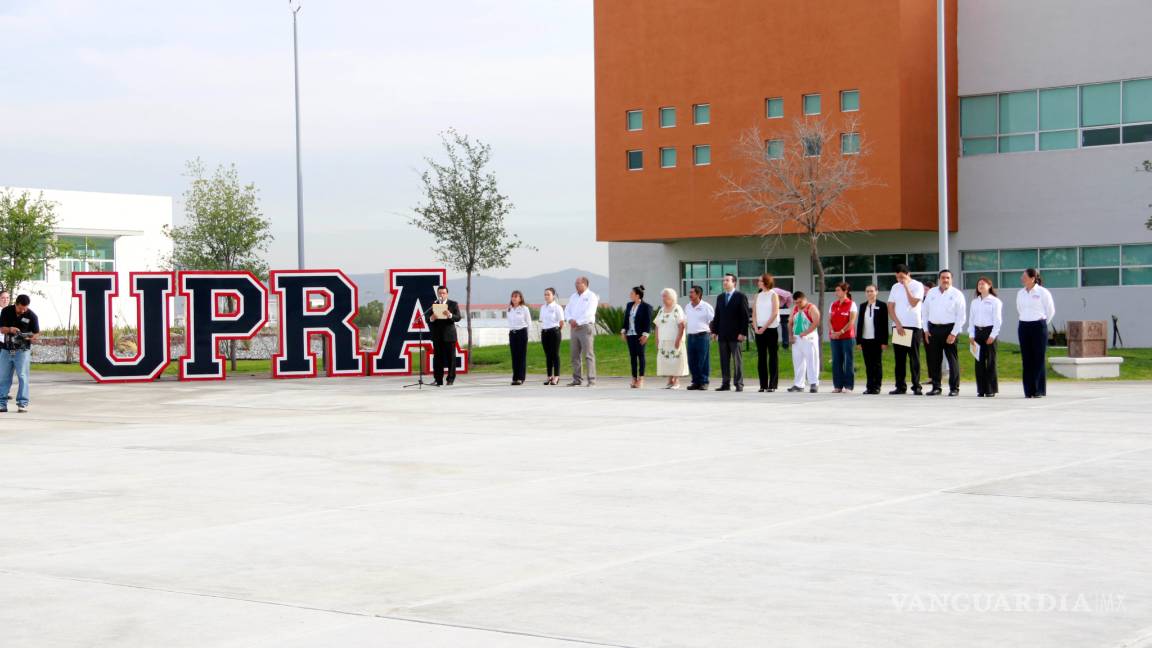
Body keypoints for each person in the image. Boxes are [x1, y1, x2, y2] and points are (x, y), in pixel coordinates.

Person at [922, 269, 967, 397]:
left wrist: (954, 333)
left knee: (952, 360)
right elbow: (924, 313)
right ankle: (936, 387)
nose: (945, 280)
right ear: (939, 279)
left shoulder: (957, 294)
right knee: (935, 360)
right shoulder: (931, 292)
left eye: (948, 278)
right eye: (943, 277)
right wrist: (925, 330)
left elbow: (961, 316)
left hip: (950, 329)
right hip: (933, 329)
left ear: (951, 279)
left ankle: (954, 388)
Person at [887, 264, 925, 395]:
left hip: (913, 326)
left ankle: (916, 386)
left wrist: (906, 286)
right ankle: (900, 386)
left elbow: (914, 302)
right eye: (897, 278)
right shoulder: (895, 287)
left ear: (908, 274)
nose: (899, 280)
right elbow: (890, 306)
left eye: (902, 277)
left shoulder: (917, 285)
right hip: (899, 327)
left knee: (914, 358)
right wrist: (897, 324)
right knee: (900, 359)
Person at [1017, 268, 1055, 398]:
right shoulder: (1020, 293)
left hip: (1038, 326)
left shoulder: (1043, 292)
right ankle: (1029, 390)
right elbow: (1019, 309)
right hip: (1024, 326)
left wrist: (1041, 322)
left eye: (1024, 276)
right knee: (1026, 358)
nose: (1022, 279)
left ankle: (1039, 390)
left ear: (1033, 278)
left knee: (1038, 358)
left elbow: (1050, 311)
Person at [710, 273, 750, 392]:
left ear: (734, 283)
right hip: (723, 334)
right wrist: (714, 331)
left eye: (727, 280)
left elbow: (745, 316)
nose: (725, 282)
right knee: (724, 360)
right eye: (724, 280)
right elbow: (717, 315)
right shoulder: (720, 297)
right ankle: (725, 383)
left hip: (736, 334)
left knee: (737, 360)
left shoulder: (740, 296)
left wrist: (743, 332)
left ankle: (739, 383)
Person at [0, 294, 39, 413]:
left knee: (22, 376)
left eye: (25, 308)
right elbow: (2, 329)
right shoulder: (6, 311)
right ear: (16, 304)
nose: (23, 310)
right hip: (6, 349)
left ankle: (22, 403)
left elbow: (36, 333)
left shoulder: (31, 315)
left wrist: (30, 337)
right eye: (21, 308)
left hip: (22, 351)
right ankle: (2, 403)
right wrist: (11, 329)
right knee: (3, 377)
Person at [968, 277, 1002, 398]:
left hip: (989, 331)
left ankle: (990, 389)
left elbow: (997, 320)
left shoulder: (995, 301)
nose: (980, 286)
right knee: (979, 362)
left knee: (990, 361)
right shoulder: (974, 302)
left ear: (989, 286)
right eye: (979, 284)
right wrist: (971, 334)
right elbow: (971, 320)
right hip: (978, 332)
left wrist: (993, 335)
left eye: (983, 284)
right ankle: (981, 389)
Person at [565, 276, 600, 387]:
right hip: (574, 328)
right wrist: (570, 319)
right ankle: (577, 379)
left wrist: (578, 321)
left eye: (578, 283)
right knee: (574, 355)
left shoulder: (591, 296)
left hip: (585, 327)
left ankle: (592, 380)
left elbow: (589, 313)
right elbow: (567, 310)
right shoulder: (573, 296)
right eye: (575, 283)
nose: (576, 285)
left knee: (588, 354)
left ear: (585, 284)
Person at [653, 288, 689, 389]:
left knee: (676, 360)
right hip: (664, 340)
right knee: (666, 361)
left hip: (675, 340)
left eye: (665, 296)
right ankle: (670, 380)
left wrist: (678, 339)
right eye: (662, 296)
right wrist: (657, 340)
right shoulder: (661, 310)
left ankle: (676, 381)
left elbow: (681, 325)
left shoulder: (677, 308)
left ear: (671, 297)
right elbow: (657, 325)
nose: (663, 299)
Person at [856, 285, 889, 395]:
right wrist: (859, 341)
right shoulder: (862, 306)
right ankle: (869, 386)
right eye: (867, 291)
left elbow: (885, 325)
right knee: (868, 365)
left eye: (871, 291)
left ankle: (877, 386)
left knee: (877, 364)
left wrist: (884, 341)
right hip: (865, 339)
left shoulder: (882, 305)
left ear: (876, 292)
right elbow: (860, 324)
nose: (869, 293)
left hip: (877, 340)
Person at [752, 273, 781, 393]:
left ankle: (772, 384)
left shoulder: (773, 295)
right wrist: (755, 327)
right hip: (759, 330)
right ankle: (762, 384)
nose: (758, 282)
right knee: (761, 357)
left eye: (760, 281)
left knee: (773, 356)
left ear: (766, 282)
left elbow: (774, 313)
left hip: (771, 329)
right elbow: (753, 313)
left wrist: (764, 327)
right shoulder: (757, 296)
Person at [787, 291, 821, 393]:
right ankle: (798, 384)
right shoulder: (795, 309)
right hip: (797, 338)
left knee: (812, 360)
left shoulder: (812, 308)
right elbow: (790, 323)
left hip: (809, 337)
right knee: (798, 361)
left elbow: (816, 322)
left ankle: (814, 383)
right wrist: (790, 336)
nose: (798, 304)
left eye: (800, 302)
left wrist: (806, 332)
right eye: (796, 302)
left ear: (805, 299)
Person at [827, 282, 858, 393]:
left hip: (847, 337)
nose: (836, 292)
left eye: (839, 290)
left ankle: (849, 386)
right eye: (836, 290)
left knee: (848, 361)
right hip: (835, 338)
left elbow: (851, 321)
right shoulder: (833, 304)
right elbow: (829, 320)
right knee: (836, 361)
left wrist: (841, 332)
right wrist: (832, 331)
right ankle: (838, 386)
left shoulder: (851, 304)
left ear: (845, 291)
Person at [428, 285, 462, 386]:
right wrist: (431, 318)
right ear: (437, 294)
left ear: (447, 294)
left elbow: (458, 317)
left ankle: (450, 379)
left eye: (443, 293)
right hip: (437, 336)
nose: (441, 295)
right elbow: (427, 318)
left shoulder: (453, 304)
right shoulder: (434, 304)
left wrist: (450, 315)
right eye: (440, 293)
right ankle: (438, 379)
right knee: (438, 359)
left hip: (449, 336)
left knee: (451, 358)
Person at [620, 285, 653, 389]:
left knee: (641, 356)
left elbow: (648, 322)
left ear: (637, 295)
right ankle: (634, 379)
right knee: (633, 357)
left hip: (640, 335)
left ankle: (641, 379)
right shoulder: (629, 305)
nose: (630, 295)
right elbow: (626, 320)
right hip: (630, 335)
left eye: (632, 293)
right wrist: (623, 331)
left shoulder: (646, 307)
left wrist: (645, 335)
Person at [684, 285, 715, 391]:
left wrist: (713, 333)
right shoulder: (687, 306)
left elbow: (713, 321)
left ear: (698, 294)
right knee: (692, 360)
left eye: (692, 292)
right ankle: (695, 381)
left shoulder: (706, 306)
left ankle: (704, 381)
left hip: (703, 336)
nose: (690, 294)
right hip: (691, 336)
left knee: (703, 360)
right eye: (690, 292)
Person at [538, 287, 565, 385]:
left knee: (555, 355)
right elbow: (542, 321)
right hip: (545, 332)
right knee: (548, 355)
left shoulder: (557, 307)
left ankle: (556, 376)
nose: (546, 296)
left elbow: (562, 323)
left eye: (548, 294)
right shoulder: (542, 307)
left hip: (554, 332)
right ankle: (549, 376)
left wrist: (556, 331)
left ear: (553, 296)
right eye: (545, 294)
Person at [506, 290, 531, 385]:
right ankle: (515, 377)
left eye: (516, 296)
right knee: (514, 356)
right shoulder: (509, 309)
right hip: (513, 333)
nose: (514, 298)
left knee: (521, 356)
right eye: (512, 296)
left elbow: (529, 323)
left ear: (520, 298)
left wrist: (527, 335)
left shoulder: (524, 308)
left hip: (522, 332)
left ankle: (521, 377)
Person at [773, 285, 794, 349]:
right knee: (773, 327)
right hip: (774, 307)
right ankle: (774, 344)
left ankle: (785, 344)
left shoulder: (787, 295)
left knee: (784, 326)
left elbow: (790, 300)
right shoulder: (772, 293)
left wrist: (787, 307)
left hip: (783, 308)